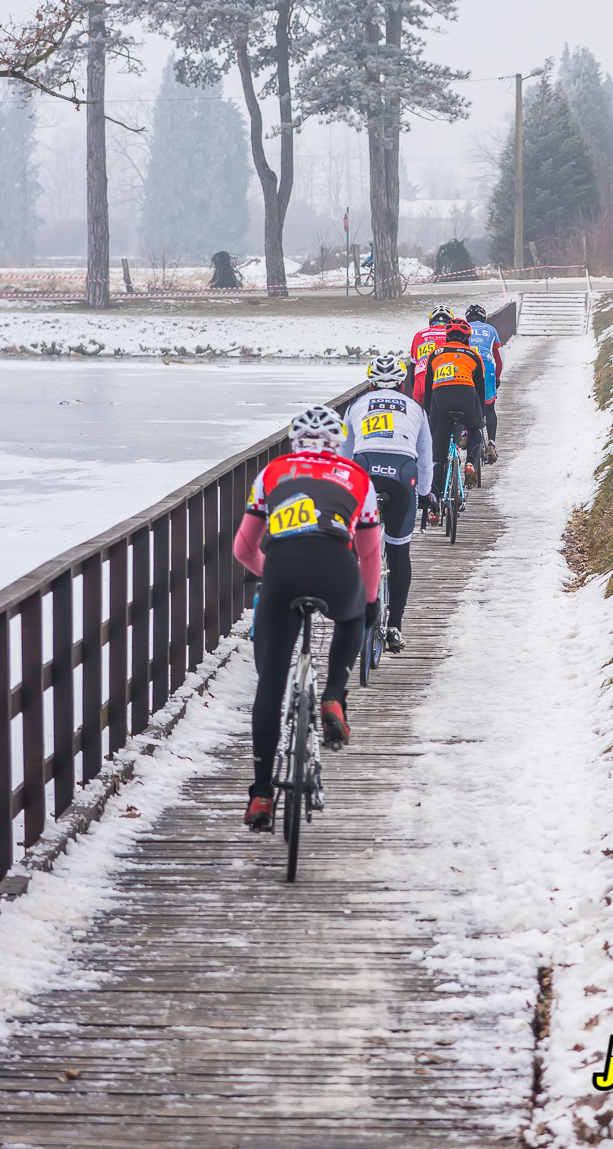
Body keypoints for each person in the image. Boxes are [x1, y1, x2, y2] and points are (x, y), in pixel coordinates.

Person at [233, 405, 382, 831]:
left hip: (282, 571)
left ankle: (262, 795)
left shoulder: (273, 473)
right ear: (339, 444)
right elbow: (370, 551)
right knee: (354, 615)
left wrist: (271, 572)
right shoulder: (356, 477)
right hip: (336, 566)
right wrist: (367, 601)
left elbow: (244, 549)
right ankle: (334, 695)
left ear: (293, 443)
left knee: (270, 687)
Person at [344, 355, 434, 653]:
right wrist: (423, 493)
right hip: (402, 473)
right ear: (402, 384)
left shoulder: (355, 406)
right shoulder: (417, 409)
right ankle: (394, 624)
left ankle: (353, 611)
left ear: (370, 385)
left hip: (364, 469)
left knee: (358, 546)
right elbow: (424, 458)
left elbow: (344, 456)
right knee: (398, 550)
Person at [423, 318, 487, 493]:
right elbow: (480, 390)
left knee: (439, 455)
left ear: (447, 336)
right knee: (475, 429)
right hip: (467, 393)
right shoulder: (473, 355)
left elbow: (428, 388)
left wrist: (426, 413)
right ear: (467, 338)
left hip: (440, 397)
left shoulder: (435, 354)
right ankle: (470, 463)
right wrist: (480, 417)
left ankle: (435, 506)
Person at [465, 303, 503, 463]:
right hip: (487, 367)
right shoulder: (491, 330)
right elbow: (500, 358)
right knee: (490, 407)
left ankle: (465, 434)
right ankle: (491, 444)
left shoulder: (464, 328)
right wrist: (497, 378)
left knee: (466, 403)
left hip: (468, 366)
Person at [409, 305, 453, 405]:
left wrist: (414, 389)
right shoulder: (453, 334)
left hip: (422, 380)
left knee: (420, 416)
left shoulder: (419, 334)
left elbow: (413, 366)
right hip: (448, 378)